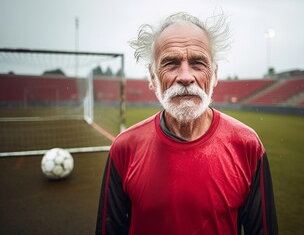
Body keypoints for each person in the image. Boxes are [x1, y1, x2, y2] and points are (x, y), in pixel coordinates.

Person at [96, 12, 278, 235]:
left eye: (198, 63)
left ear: (215, 75)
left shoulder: (248, 145)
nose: (185, 76)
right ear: (152, 78)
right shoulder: (124, 147)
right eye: (171, 63)